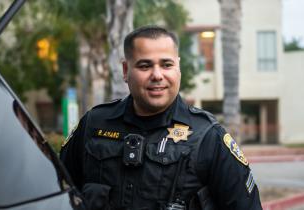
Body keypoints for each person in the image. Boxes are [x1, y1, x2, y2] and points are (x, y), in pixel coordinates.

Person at [60, 25, 262, 210]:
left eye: (166, 65)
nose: (157, 75)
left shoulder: (208, 136)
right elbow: (59, 191)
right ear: (125, 70)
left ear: (178, 68)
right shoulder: (94, 124)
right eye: (145, 66)